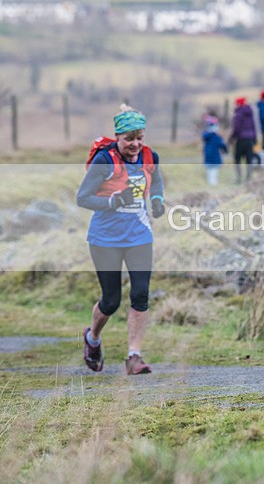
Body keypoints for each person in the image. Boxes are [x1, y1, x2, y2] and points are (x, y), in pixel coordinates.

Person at [77, 104, 166, 375]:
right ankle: (92, 338)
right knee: (111, 300)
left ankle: (134, 357)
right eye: (129, 139)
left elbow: (158, 181)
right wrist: (114, 201)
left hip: (139, 235)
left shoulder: (149, 156)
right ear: (118, 137)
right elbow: (83, 198)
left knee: (140, 294)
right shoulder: (104, 160)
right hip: (105, 238)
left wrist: (157, 199)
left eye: (140, 138)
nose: (135, 144)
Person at [229, 96, 257, 183]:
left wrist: (232, 138)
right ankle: (248, 178)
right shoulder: (250, 113)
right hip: (251, 139)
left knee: (237, 158)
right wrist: (255, 138)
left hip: (241, 139)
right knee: (249, 158)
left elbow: (236, 127)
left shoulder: (238, 113)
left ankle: (239, 178)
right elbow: (253, 126)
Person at [202, 112, 227, 186]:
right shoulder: (217, 137)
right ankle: (214, 183)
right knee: (215, 171)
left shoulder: (206, 137)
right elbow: (222, 145)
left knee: (210, 171)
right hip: (216, 157)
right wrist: (226, 150)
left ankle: (210, 182)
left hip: (208, 157)